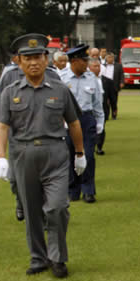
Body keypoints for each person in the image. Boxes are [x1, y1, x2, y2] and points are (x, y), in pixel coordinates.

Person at [0, 33, 86, 278]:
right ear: (19, 61)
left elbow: (74, 123)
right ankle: (38, 258)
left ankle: (58, 258)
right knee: (32, 211)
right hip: (23, 154)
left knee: (57, 208)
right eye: (28, 58)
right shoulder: (10, 92)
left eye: (38, 57)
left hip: (55, 154)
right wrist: (1, 156)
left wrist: (80, 154)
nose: (33, 63)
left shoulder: (60, 90)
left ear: (47, 59)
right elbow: (1, 126)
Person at [61, 44, 105, 203]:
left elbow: (97, 103)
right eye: (83, 60)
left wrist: (100, 122)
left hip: (86, 120)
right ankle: (73, 190)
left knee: (88, 155)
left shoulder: (92, 78)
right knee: (69, 155)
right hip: (66, 121)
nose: (87, 63)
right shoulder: (62, 78)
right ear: (74, 61)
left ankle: (88, 190)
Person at [88, 59, 108, 155]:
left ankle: (99, 147)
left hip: (101, 107)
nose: (97, 68)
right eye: (94, 66)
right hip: (90, 109)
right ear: (89, 67)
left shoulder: (104, 79)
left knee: (101, 128)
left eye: (98, 66)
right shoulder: (87, 80)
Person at [101, 52, 124, 120]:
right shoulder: (102, 65)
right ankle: (106, 115)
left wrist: (122, 82)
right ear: (106, 58)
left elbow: (122, 75)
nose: (110, 59)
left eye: (111, 57)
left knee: (113, 101)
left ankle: (114, 115)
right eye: (108, 57)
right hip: (105, 85)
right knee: (105, 101)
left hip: (114, 85)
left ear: (113, 58)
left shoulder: (118, 65)